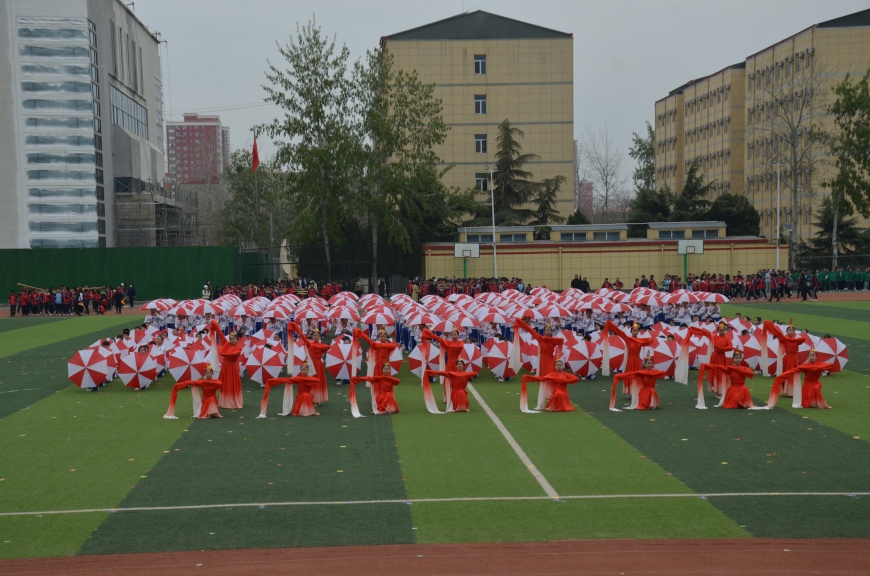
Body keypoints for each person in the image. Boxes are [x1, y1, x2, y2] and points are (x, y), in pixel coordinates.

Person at [770, 349, 836, 409]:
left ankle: (819, 403)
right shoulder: (805, 366)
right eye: (810, 356)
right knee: (805, 403)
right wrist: (782, 376)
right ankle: (813, 403)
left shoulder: (819, 364)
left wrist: (817, 367)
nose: (812, 357)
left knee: (816, 388)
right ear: (808, 357)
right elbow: (794, 370)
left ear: (816, 357)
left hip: (816, 382)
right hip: (808, 383)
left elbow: (830, 365)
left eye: (813, 356)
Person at [763, 319, 810, 397]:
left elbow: (803, 339)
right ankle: (787, 390)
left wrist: (792, 340)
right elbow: (778, 335)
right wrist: (788, 339)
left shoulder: (796, 340)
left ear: (794, 332)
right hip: (787, 358)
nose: (791, 332)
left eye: (792, 331)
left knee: (794, 374)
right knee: (787, 373)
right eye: (789, 330)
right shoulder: (784, 339)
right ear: (787, 331)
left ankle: (793, 390)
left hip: (794, 358)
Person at [288, 322, 331, 403]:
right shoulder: (309, 343)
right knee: (310, 380)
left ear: (319, 337)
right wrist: (296, 328)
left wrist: (317, 346)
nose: (316, 337)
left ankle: (317, 399)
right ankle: (310, 397)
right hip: (310, 363)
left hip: (318, 363)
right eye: (314, 335)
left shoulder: (322, 345)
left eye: (317, 335)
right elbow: (302, 335)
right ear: (312, 336)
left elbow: (328, 347)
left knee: (317, 380)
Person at [687, 321, 733, 396]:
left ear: (725, 331)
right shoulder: (714, 337)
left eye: (723, 330)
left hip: (722, 357)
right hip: (715, 357)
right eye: (720, 330)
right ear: (718, 331)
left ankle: (721, 390)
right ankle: (716, 390)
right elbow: (704, 332)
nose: (721, 332)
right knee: (715, 372)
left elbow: (730, 347)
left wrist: (721, 349)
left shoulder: (727, 339)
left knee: (721, 372)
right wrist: (693, 329)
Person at [208, 319, 245, 409]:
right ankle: (225, 401)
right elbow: (220, 334)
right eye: (231, 339)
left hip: (232, 368)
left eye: (234, 339)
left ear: (237, 340)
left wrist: (223, 353)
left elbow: (234, 354)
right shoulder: (226, 344)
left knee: (231, 384)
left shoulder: (238, 348)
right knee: (225, 384)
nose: (232, 340)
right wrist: (215, 324)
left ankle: (233, 401)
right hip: (225, 367)